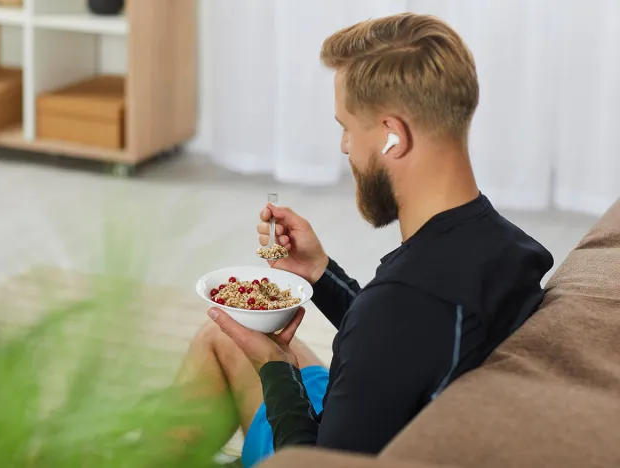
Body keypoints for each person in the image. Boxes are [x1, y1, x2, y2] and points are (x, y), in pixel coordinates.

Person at [176, 12, 554, 467]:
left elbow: (312, 460)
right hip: (385, 420)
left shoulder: (399, 305)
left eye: (347, 127)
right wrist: (319, 272)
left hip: (320, 447)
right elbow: (403, 346)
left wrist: (274, 367)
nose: (344, 148)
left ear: (393, 136)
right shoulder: (508, 248)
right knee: (228, 340)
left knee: (221, 339)